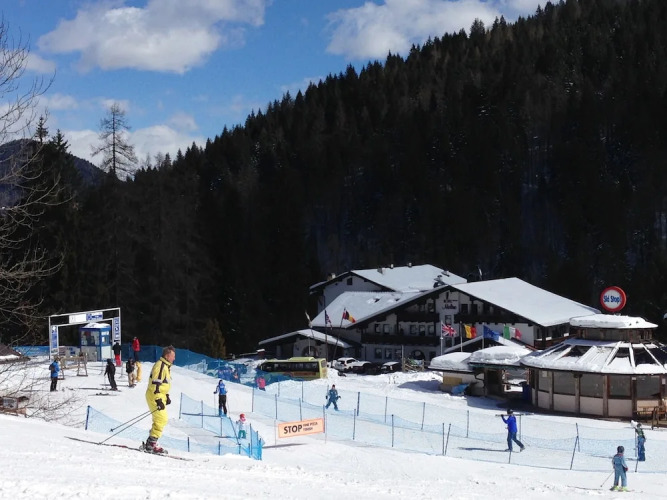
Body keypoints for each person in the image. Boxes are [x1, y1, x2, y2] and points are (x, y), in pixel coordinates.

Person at [144, 345, 175, 454]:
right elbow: (155, 384)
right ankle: (151, 444)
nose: (174, 358)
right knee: (162, 419)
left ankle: (151, 442)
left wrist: (166, 396)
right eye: (172, 356)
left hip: (159, 395)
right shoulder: (161, 365)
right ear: (167, 356)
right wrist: (158, 399)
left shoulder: (165, 366)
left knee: (160, 419)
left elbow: (162, 384)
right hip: (155, 396)